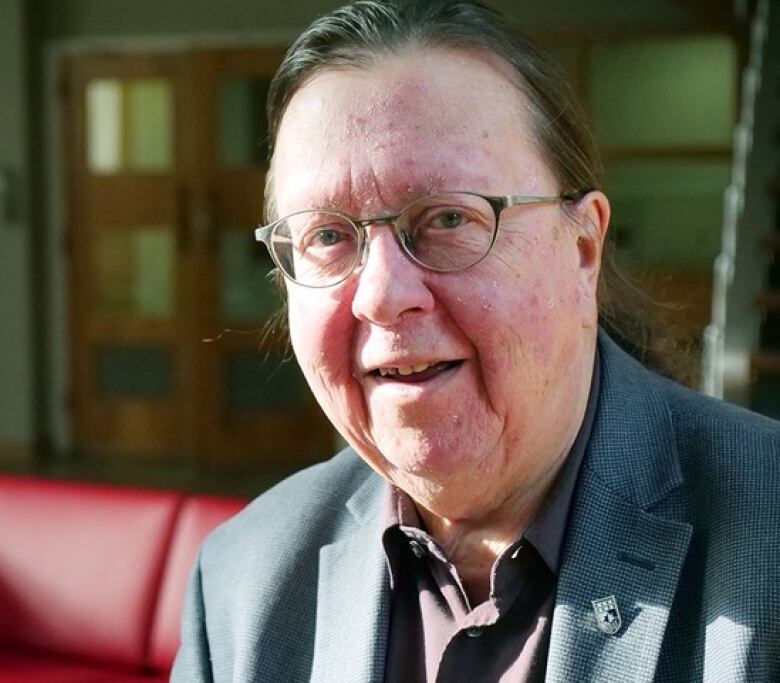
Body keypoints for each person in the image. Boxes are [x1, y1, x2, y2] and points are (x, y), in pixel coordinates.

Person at [172, 1, 780, 681]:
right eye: (327, 236)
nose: (380, 294)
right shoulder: (241, 582)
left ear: (583, 249)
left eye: (448, 217)